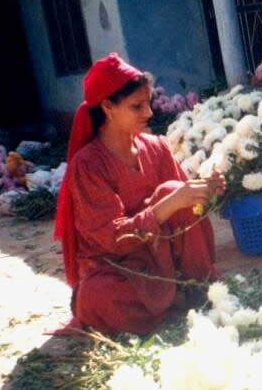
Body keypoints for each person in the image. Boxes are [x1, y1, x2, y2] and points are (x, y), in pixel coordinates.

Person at [54, 53, 224, 336]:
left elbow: (186, 213)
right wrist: (166, 206)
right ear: (108, 107)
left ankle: (195, 290)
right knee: (96, 298)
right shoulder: (88, 165)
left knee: (176, 191)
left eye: (148, 103)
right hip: (122, 269)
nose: (149, 113)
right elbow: (111, 238)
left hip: (166, 259)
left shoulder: (155, 147)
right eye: (137, 106)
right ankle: (173, 298)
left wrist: (207, 190)